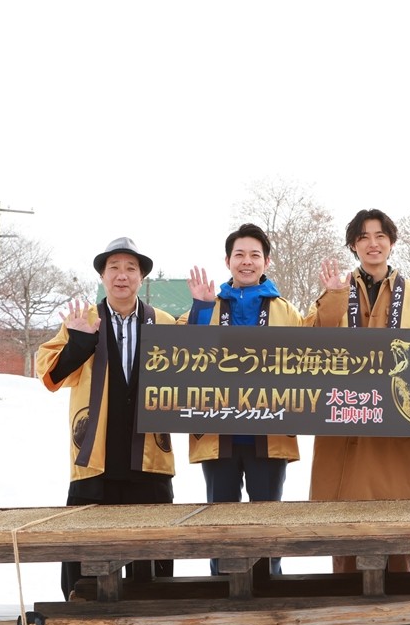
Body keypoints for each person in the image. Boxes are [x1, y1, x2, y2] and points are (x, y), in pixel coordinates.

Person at [36, 237, 178, 598]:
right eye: (114, 267)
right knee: (85, 553)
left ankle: (153, 623)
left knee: (153, 554)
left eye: (131, 268)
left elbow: (193, 373)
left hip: (148, 460)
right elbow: (50, 376)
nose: (122, 275)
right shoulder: (82, 320)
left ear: (142, 278)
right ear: (102, 275)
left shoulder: (162, 322)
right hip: (95, 458)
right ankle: (81, 618)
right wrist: (79, 343)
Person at [308, 208, 410, 573]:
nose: (373, 243)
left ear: (392, 242)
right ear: (354, 245)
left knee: (399, 529)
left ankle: (401, 610)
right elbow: (309, 344)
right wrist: (333, 298)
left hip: (395, 433)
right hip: (345, 425)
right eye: (364, 237)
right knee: (346, 532)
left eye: (380, 235)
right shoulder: (335, 288)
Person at [184, 223, 303, 576]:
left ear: (266, 261)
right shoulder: (210, 304)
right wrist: (203, 309)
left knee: (266, 519)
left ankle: (270, 587)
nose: (247, 262)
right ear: (227, 261)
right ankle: (222, 587)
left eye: (255, 255)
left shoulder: (286, 311)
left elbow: (311, 355)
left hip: (270, 433)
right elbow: (182, 356)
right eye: (240, 255)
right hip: (218, 432)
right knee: (220, 520)